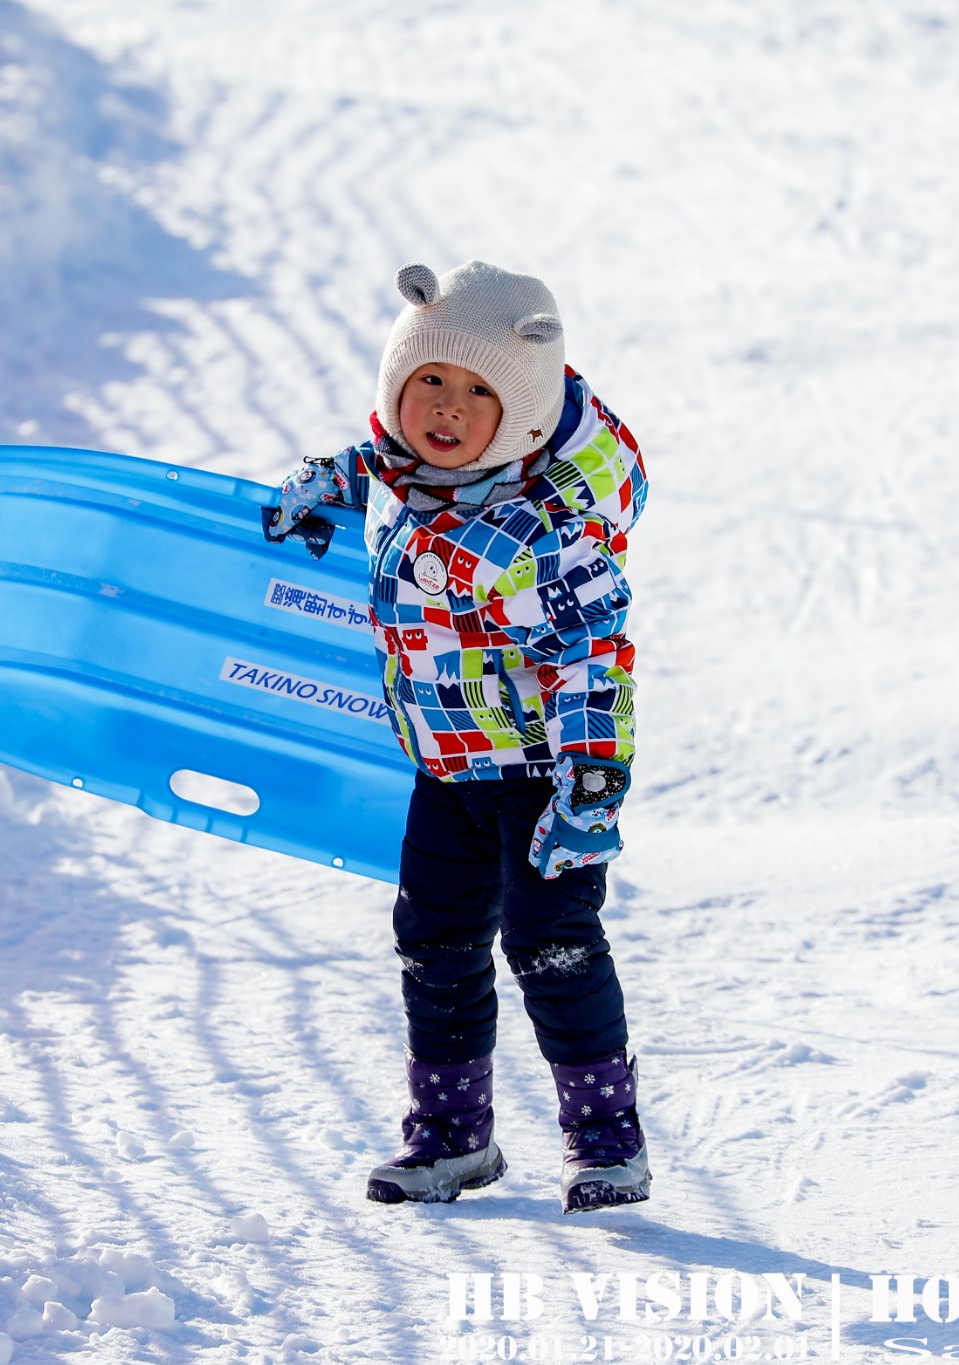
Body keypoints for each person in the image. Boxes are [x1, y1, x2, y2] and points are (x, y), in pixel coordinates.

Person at [267, 260, 651, 1213]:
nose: (444, 407)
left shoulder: (546, 534)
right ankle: (451, 1140)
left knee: (549, 942)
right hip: (445, 769)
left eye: (478, 392)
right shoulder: (414, 472)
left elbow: (595, 656)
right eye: (427, 380)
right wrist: (330, 480)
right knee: (432, 945)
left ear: (520, 417)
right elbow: (387, 466)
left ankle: (606, 1144)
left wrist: (592, 783)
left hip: (541, 777)